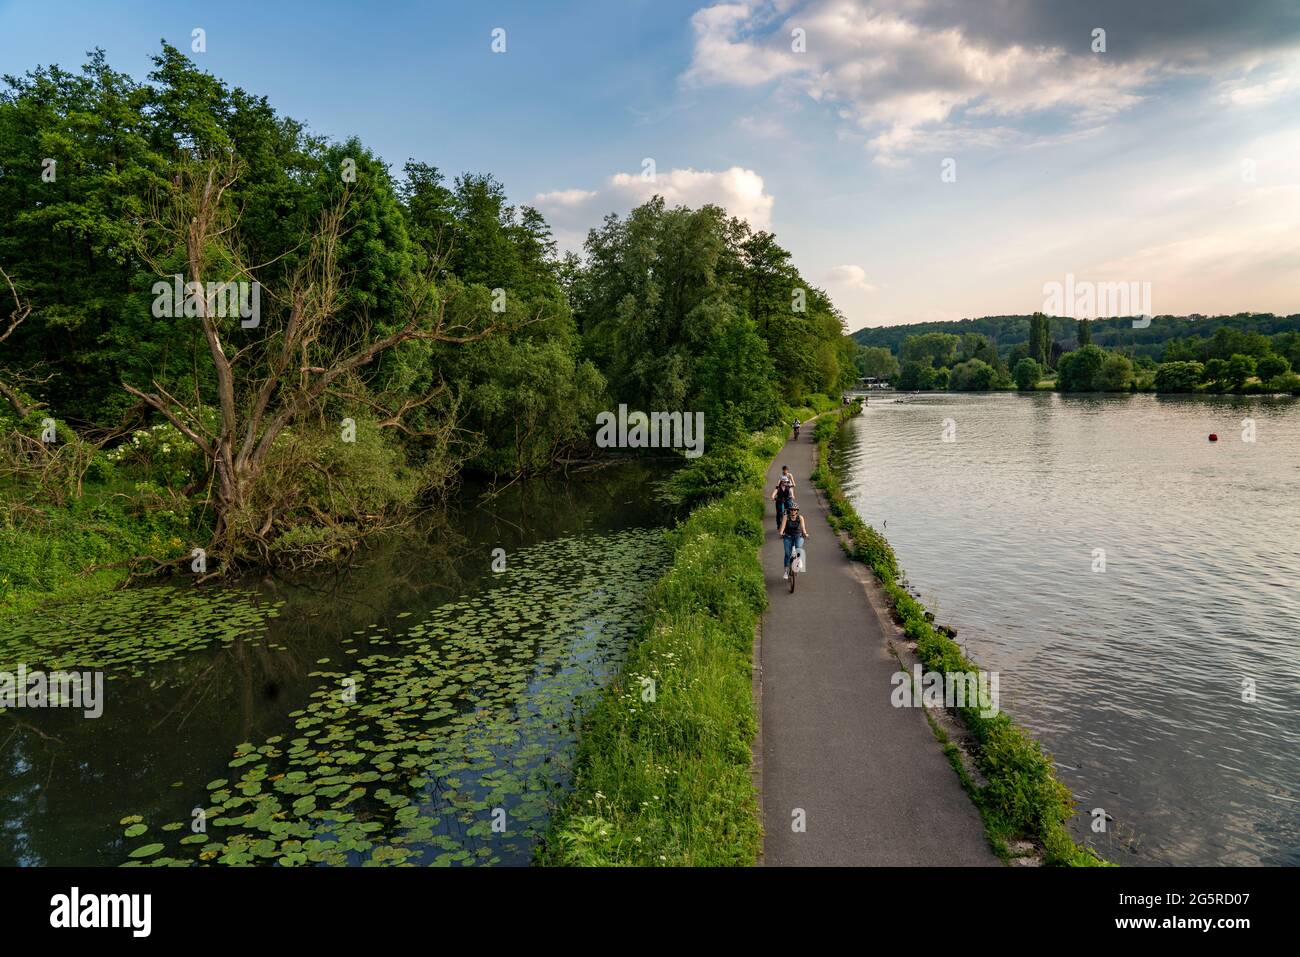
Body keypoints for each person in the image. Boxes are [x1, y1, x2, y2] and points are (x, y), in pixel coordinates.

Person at [778, 501, 809, 580]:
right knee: (787, 554)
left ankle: (799, 560)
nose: (793, 511)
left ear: (797, 510)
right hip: (787, 537)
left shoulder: (800, 517)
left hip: (798, 536)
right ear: (789, 510)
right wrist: (781, 533)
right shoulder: (786, 517)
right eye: (791, 509)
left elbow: (803, 527)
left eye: (795, 510)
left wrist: (805, 533)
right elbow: (783, 526)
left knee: (798, 547)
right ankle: (786, 571)